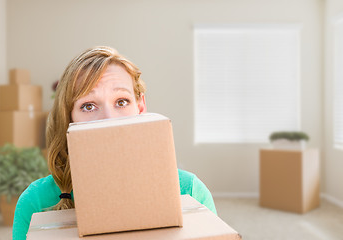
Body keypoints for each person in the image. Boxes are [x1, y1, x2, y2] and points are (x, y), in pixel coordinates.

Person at [12, 46, 217, 239]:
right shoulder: (35, 203)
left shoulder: (189, 192)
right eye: (89, 106)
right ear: (69, 118)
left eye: (121, 101)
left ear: (141, 106)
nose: (109, 119)